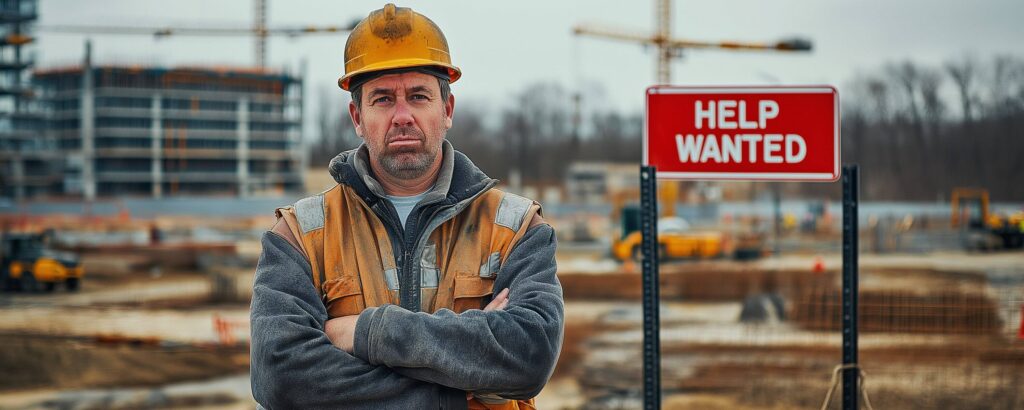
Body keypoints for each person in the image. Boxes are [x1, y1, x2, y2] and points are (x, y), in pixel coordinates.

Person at [249, 4, 564, 409]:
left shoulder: (516, 228)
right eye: (382, 99)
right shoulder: (301, 235)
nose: (402, 116)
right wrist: (460, 388)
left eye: (418, 96)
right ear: (357, 117)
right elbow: (281, 376)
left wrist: (363, 333)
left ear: (446, 110)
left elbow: (529, 355)